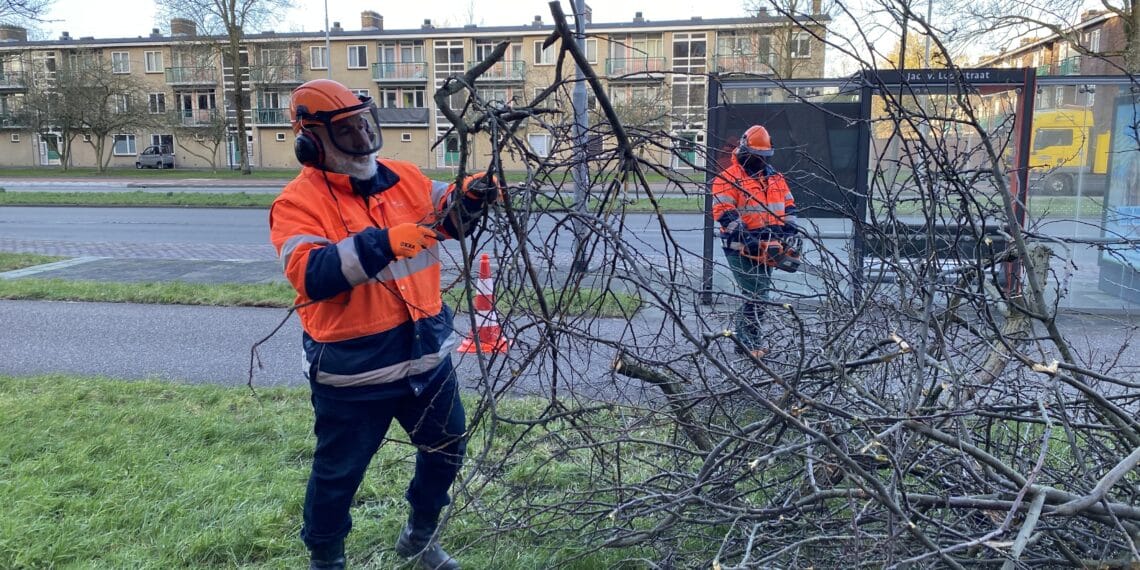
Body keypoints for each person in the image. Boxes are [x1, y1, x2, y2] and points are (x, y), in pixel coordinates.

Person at [269, 78, 497, 570]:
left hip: (426, 357)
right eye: (347, 130)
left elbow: (450, 217)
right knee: (338, 476)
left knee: (447, 449)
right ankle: (326, 558)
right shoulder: (298, 202)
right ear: (312, 141)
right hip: (356, 371)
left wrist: (472, 194)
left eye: (364, 125)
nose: (361, 138)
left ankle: (420, 535)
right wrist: (384, 243)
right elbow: (312, 274)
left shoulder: (405, 177)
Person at [711, 124, 797, 358]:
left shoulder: (776, 178)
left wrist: (789, 231)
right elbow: (724, 212)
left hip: (771, 244)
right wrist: (746, 238)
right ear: (745, 152)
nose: (761, 160)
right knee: (757, 294)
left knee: (757, 294)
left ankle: (746, 342)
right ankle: (749, 345)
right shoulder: (728, 179)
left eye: (764, 155)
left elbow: (789, 205)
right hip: (740, 247)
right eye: (757, 155)